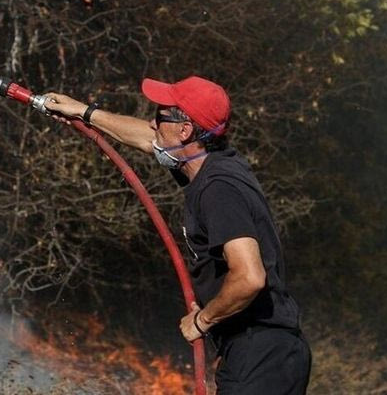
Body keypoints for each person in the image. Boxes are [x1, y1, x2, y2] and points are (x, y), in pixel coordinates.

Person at [44, 75, 312, 394]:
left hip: (260, 355)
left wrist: (203, 321)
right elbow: (146, 137)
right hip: (267, 354)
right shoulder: (208, 162)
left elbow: (250, 276)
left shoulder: (219, 190)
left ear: (185, 131)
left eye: (159, 116)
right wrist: (83, 112)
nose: (151, 122)